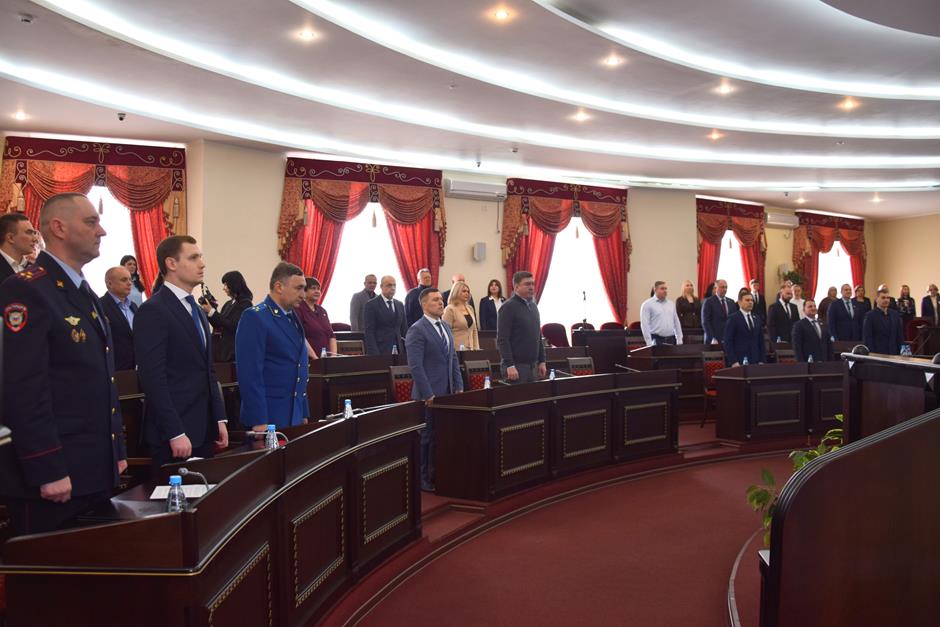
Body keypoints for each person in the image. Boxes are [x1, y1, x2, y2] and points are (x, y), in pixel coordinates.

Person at [0, 193, 125, 535]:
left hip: (92, 465)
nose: (101, 231)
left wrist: (115, 450)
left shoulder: (83, 292)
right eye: (91, 222)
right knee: (47, 567)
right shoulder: (27, 290)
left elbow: (100, 378)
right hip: (55, 474)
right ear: (59, 228)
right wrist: (47, 467)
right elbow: (23, 387)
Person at [134, 235, 228, 470]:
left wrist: (219, 418)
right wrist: (174, 431)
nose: (202, 264)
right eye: (193, 258)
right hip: (174, 434)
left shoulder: (196, 309)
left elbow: (208, 370)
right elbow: (152, 377)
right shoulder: (154, 310)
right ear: (171, 263)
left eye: (201, 257)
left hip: (204, 427)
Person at [235, 262, 310, 430]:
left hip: (294, 412)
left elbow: (299, 366)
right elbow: (250, 374)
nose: (303, 295)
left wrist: (303, 410)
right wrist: (258, 419)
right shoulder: (255, 317)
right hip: (269, 414)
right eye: (298, 288)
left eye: (304, 288)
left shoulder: (293, 318)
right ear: (279, 287)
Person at [405, 287, 463, 492]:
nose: (441, 303)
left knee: (442, 436)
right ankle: (422, 479)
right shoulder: (417, 329)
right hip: (427, 395)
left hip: (447, 393)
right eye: (435, 300)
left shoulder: (445, 326)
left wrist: (458, 386)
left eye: (441, 299)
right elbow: (416, 367)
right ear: (424, 305)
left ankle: (438, 473)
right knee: (426, 438)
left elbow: (453, 359)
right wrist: (427, 393)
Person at [496, 271, 546, 383]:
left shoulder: (533, 306)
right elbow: (502, 339)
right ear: (516, 287)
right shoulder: (507, 307)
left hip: (533, 366)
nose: (531, 287)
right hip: (516, 367)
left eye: (532, 284)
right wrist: (510, 365)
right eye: (527, 284)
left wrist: (542, 361)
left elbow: (538, 335)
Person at [203, 270, 253, 362]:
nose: (224, 288)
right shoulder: (228, 304)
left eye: (226, 285)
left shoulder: (245, 304)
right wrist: (209, 311)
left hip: (233, 353)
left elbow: (234, 325)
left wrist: (212, 312)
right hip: (221, 350)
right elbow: (219, 325)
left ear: (234, 285)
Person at [99, 266, 137, 370]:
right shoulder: (100, 306)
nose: (129, 283)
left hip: (138, 368)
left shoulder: (133, 306)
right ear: (110, 284)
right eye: (124, 280)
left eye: (130, 279)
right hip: (116, 369)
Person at [363, 275, 407, 355]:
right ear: (381, 286)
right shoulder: (371, 305)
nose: (392, 288)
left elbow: (404, 329)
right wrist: (375, 354)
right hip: (380, 350)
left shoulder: (399, 304)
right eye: (389, 285)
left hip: (399, 350)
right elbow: (369, 332)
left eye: (394, 285)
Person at [295, 276, 337, 358]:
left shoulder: (322, 311)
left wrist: (333, 357)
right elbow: (299, 336)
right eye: (313, 288)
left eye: (318, 289)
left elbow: (331, 335)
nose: (317, 291)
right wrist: (315, 358)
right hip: (309, 359)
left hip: (327, 359)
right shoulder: (298, 309)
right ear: (304, 292)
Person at [723, 290, 766, 367]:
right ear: (739, 302)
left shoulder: (757, 318)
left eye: (752, 300)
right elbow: (728, 342)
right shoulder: (733, 318)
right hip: (739, 361)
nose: (750, 302)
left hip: (756, 361)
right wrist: (733, 361)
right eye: (747, 300)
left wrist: (762, 360)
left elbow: (761, 341)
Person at [640, 281, 683, 346]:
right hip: (656, 339)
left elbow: (676, 322)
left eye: (666, 288)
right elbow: (644, 325)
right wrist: (649, 342)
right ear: (655, 290)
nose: (665, 291)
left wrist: (679, 339)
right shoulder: (647, 304)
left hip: (671, 339)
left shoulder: (671, 304)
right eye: (662, 288)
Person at [0, 213, 38, 284]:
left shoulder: (33, 268)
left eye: (34, 233)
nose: (35, 239)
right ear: (10, 238)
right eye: (29, 232)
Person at [863, 290, 904, 355]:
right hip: (878, 354)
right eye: (883, 298)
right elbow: (868, 338)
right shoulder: (870, 316)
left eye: (888, 298)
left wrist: (901, 352)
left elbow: (899, 336)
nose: (886, 300)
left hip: (894, 353)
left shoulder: (895, 314)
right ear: (876, 299)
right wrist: (872, 354)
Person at [443, 280, 480, 350]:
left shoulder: (470, 308)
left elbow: (474, 330)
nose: (467, 293)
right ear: (456, 292)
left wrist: (476, 348)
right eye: (464, 291)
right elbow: (446, 332)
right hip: (456, 349)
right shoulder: (450, 309)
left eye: (468, 291)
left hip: (471, 349)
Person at [701, 279, 738, 345]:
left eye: (726, 287)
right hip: (714, 339)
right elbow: (705, 322)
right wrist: (712, 338)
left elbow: (734, 320)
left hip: (729, 338)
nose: (725, 289)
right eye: (722, 287)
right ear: (716, 288)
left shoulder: (731, 302)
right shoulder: (709, 302)